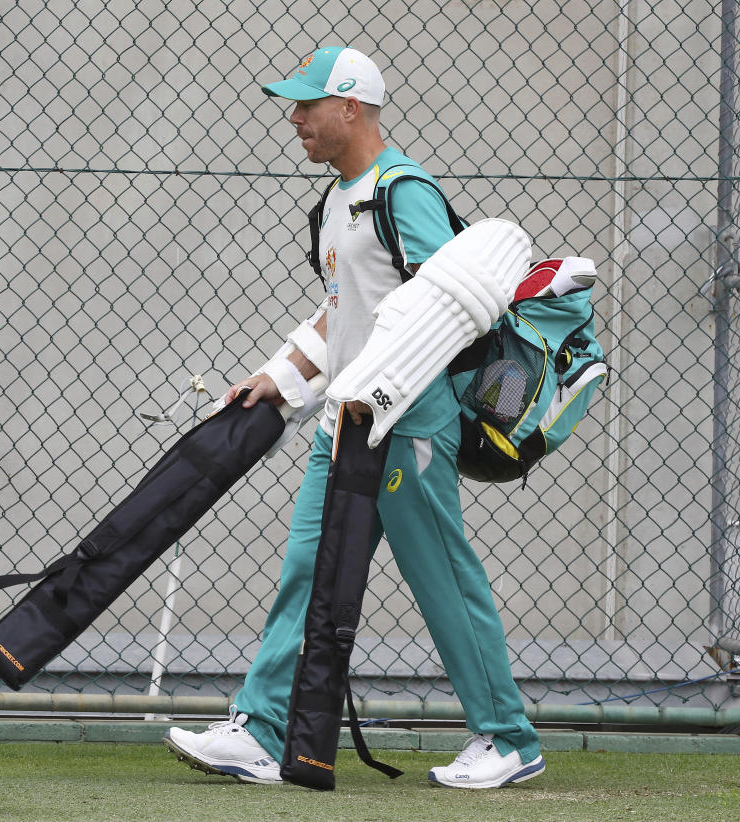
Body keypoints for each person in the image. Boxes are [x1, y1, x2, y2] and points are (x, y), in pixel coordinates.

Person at [164, 45, 544, 790]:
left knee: (441, 575)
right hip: (345, 421)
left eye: (308, 105)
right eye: (294, 105)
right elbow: (342, 315)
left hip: (408, 424)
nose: (295, 118)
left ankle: (507, 738)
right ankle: (263, 731)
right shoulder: (339, 201)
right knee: (308, 571)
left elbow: (456, 307)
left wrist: (385, 394)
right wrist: (280, 379)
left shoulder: (404, 193)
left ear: (352, 108)